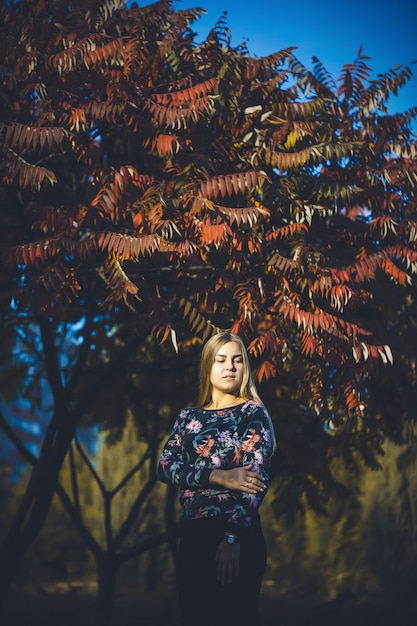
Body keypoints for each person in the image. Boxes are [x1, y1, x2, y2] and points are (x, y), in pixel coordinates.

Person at [158, 332, 276, 626]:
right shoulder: (188, 417)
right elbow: (165, 467)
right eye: (221, 360)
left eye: (237, 360)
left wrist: (232, 537)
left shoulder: (252, 413)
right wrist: (219, 477)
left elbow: (254, 483)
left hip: (237, 535)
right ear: (208, 367)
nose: (230, 367)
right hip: (194, 535)